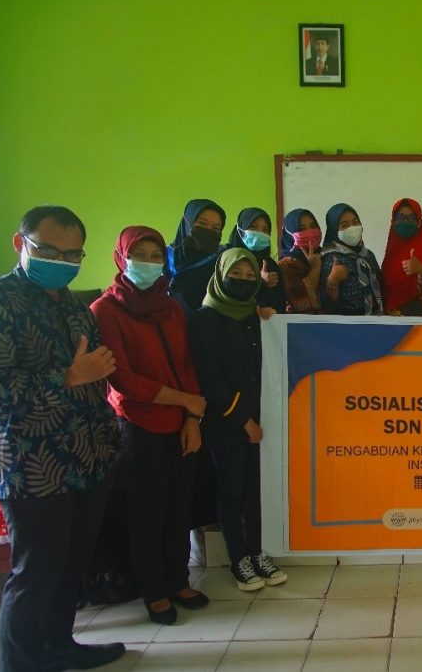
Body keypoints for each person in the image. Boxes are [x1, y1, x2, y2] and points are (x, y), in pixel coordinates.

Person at [0, 205, 125, 671]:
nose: (61, 262)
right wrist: (66, 377)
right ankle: (22, 664)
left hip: (87, 457)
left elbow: (95, 373)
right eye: (49, 250)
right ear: (20, 244)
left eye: (72, 255)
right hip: (31, 465)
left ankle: (58, 647)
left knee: (72, 566)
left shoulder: (73, 306)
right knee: (35, 573)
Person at [90, 226, 211, 625]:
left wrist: (192, 417)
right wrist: (184, 401)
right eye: (138, 254)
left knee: (179, 507)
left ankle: (178, 580)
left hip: (181, 423)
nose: (148, 262)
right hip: (139, 426)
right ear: (121, 257)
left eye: (155, 255)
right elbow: (122, 379)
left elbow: (189, 363)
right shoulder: (105, 310)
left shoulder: (172, 307)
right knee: (148, 512)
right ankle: (154, 590)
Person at [189, 248, 287, 591]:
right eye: (235, 275)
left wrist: (272, 321)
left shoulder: (253, 317)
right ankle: (239, 559)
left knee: (257, 491)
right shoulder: (204, 320)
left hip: (260, 422)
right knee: (232, 491)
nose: (243, 282)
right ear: (220, 276)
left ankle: (258, 552)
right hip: (227, 423)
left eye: (249, 277)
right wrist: (245, 421)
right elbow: (211, 379)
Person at [382, 198, 422, 316]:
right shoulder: (391, 251)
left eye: (411, 218)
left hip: (421, 319)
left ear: (419, 221)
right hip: (392, 320)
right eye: (400, 218)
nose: (405, 222)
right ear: (393, 221)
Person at [320, 203, 385, 315]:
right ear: (334, 230)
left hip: (375, 320)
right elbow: (327, 305)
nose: (352, 228)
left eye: (355, 222)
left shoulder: (368, 255)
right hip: (346, 323)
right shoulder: (331, 258)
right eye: (344, 225)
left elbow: (381, 288)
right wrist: (332, 282)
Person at [168, 199, 226, 311]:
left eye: (215, 228)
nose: (208, 230)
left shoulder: (223, 260)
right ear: (186, 223)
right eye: (202, 223)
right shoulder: (161, 258)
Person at [229, 207, 285, 313]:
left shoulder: (271, 266)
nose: (259, 233)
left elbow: (279, 305)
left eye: (265, 230)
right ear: (240, 229)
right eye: (253, 227)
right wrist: (259, 281)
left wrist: (270, 311)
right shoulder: (227, 259)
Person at [278, 208, 323, 314]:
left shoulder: (325, 255)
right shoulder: (287, 264)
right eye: (302, 229)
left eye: (313, 226)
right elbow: (301, 305)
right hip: (298, 323)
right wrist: (315, 268)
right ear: (289, 234)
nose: (309, 232)